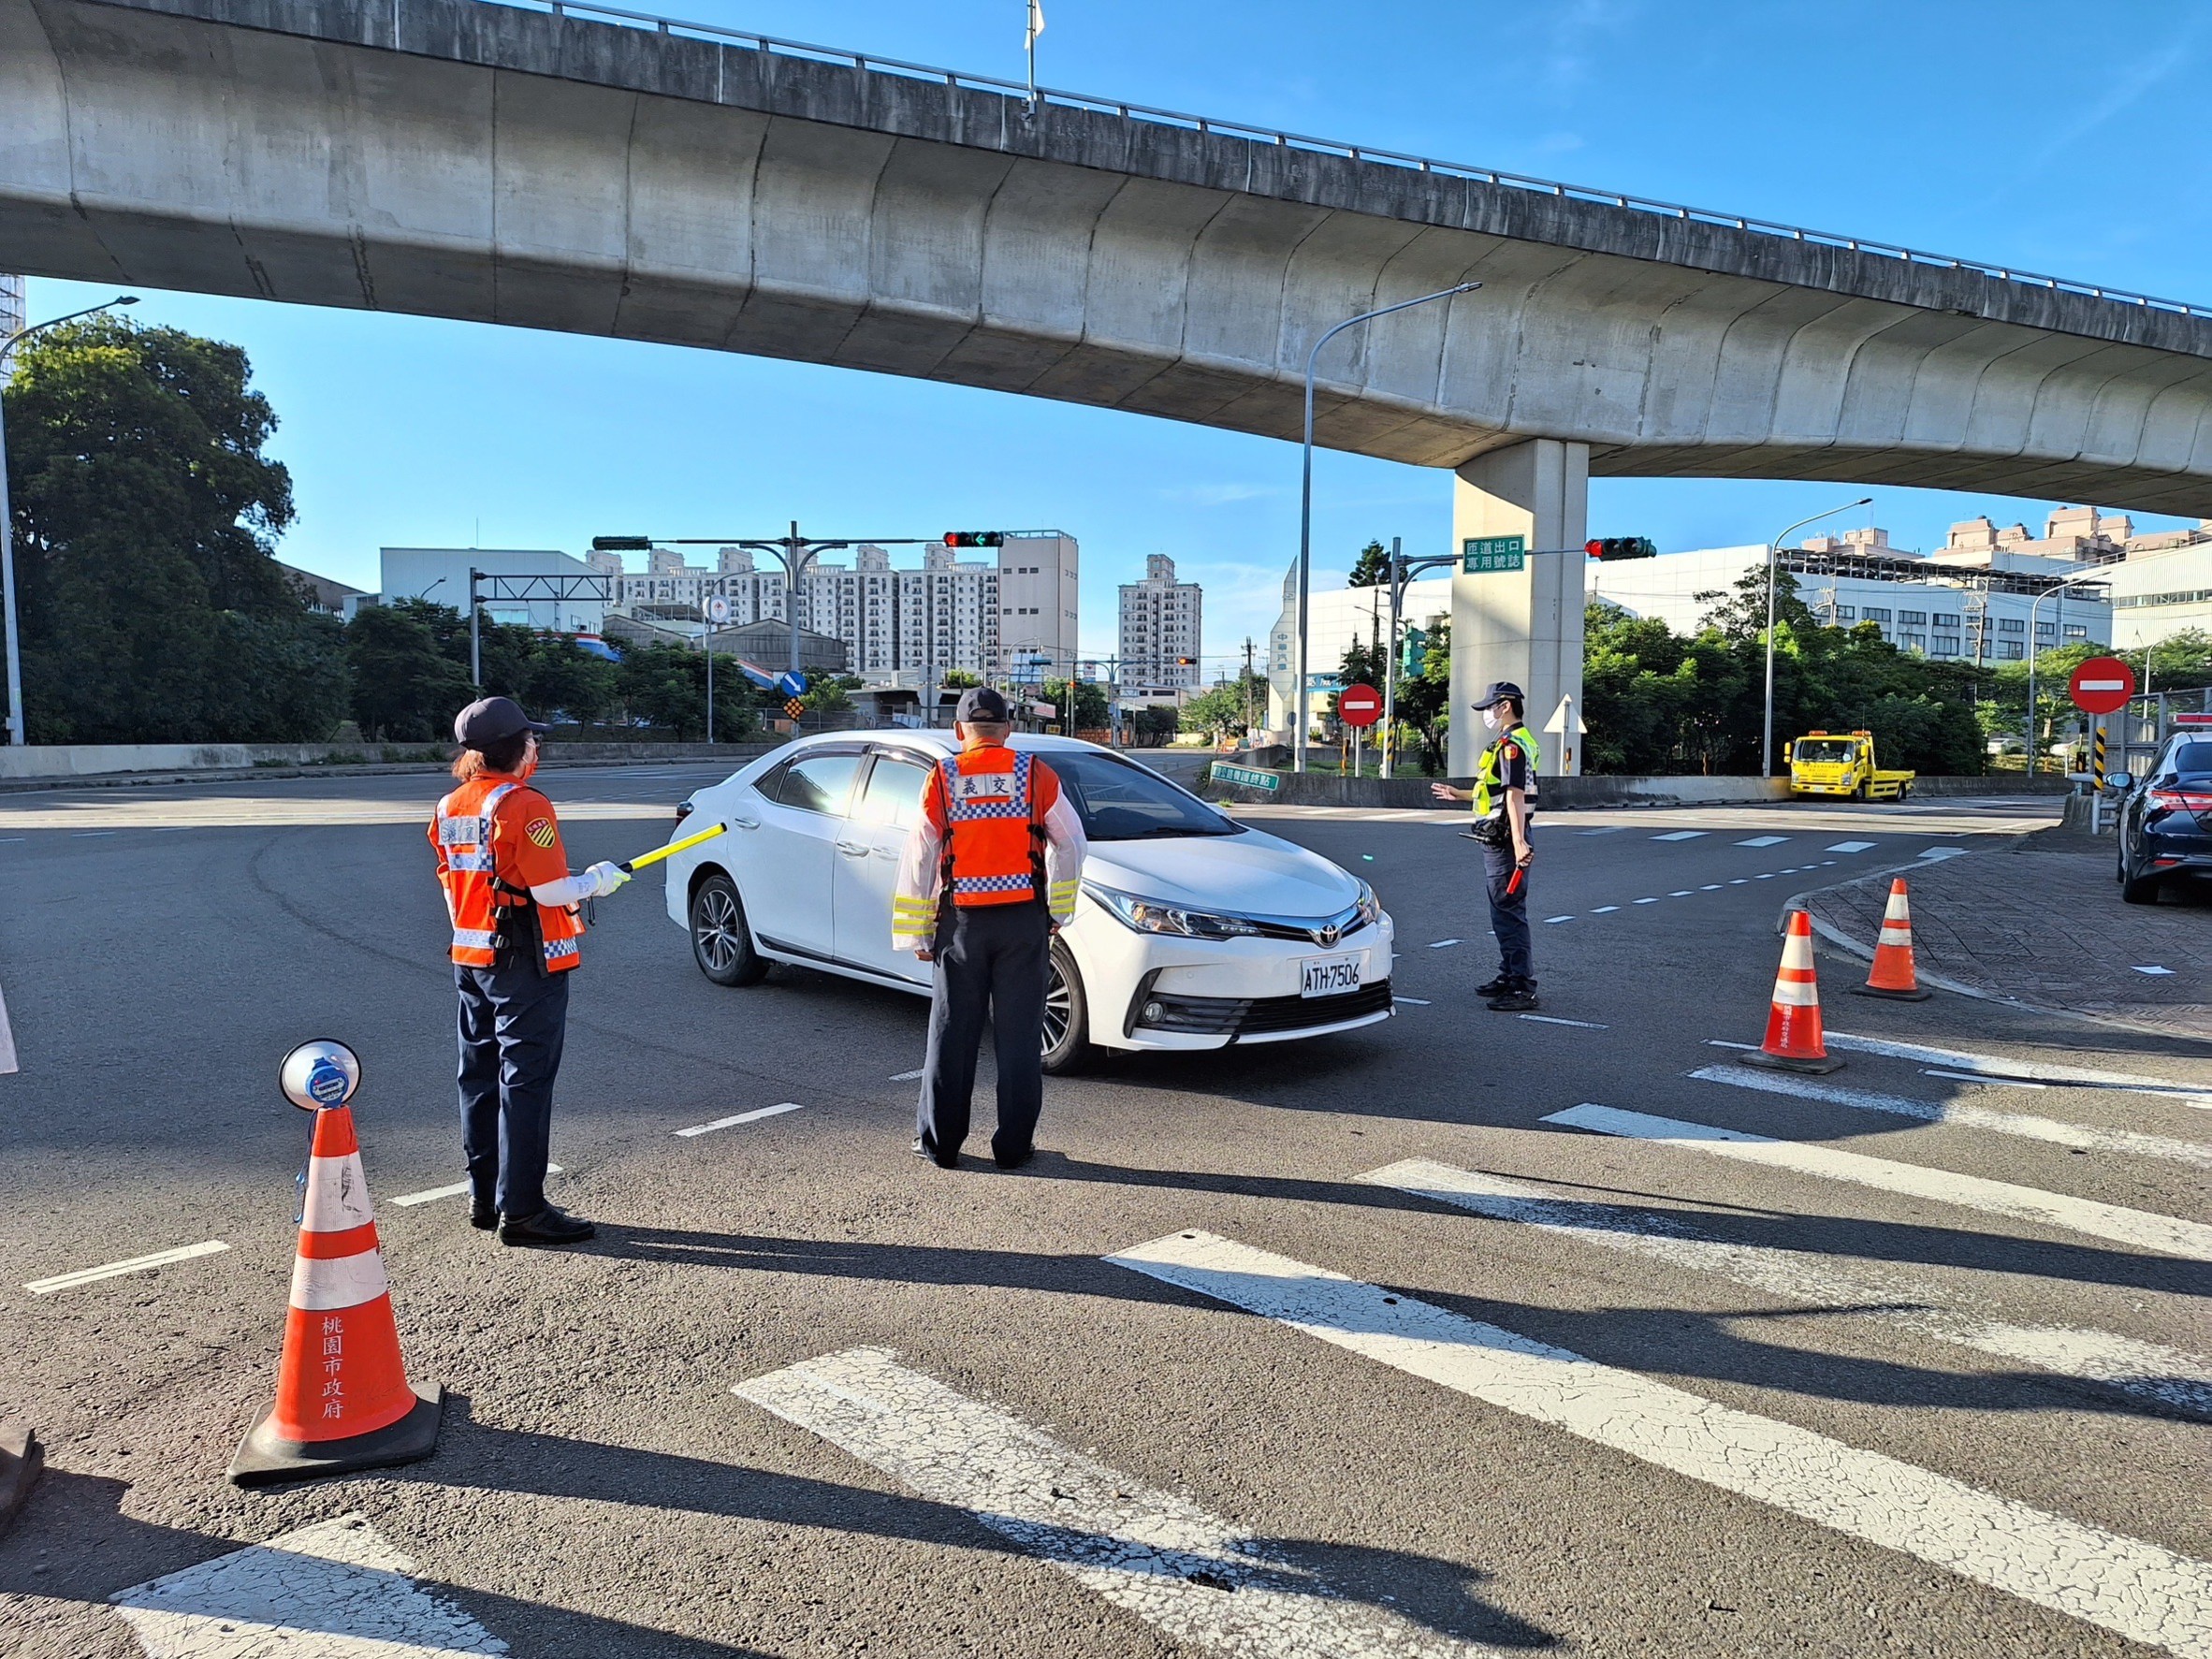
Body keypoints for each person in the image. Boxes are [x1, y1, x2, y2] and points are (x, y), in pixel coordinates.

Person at [429, 696, 628, 1246]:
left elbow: (454, 885)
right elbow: (548, 890)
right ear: (517, 748)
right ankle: (522, 1210)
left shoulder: (451, 806)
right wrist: (595, 881)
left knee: (478, 1075)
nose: (537, 747)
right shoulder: (525, 805)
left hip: (471, 956)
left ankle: (485, 1196)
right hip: (523, 959)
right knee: (526, 1081)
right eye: (532, 739)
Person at [893, 687, 1087, 1169]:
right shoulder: (1035, 774)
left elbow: (920, 856)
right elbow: (1072, 845)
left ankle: (940, 1145)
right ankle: (1013, 1148)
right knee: (1020, 1039)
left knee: (952, 1034)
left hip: (962, 924)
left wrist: (918, 932)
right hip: (1023, 923)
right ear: (1008, 729)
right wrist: (1056, 912)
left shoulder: (942, 777)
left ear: (960, 731)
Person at [1431, 680, 1540, 1011]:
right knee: (1502, 911)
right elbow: (1492, 789)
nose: (1488, 713)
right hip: (1502, 836)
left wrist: (1519, 841)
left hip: (1506, 837)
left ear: (1505, 706)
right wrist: (1459, 794)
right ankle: (1509, 975)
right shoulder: (1513, 740)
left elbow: (1514, 793)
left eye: (1491, 707)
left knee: (1508, 912)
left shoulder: (1512, 744)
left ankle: (1522, 986)